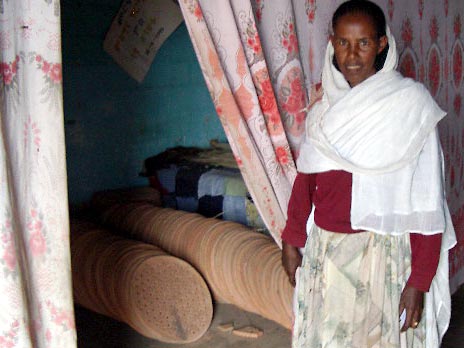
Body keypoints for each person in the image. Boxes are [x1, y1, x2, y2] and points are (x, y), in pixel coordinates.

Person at [281, 1, 456, 347]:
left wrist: (419, 280)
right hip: (327, 252)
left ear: (381, 44)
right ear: (333, 43)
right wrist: (292, 237)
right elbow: (307, 180)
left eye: (363, 43)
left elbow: (426, 202)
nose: (352, 55)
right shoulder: (325, 108)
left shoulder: (410, 106)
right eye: (343, 43)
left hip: (385, 255)